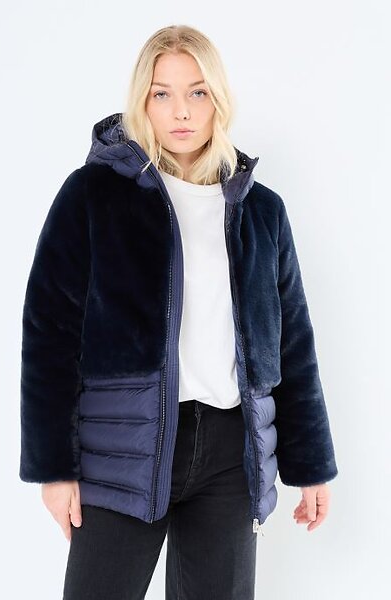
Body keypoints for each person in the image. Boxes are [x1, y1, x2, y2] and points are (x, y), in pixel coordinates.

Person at [19, 24, 338, 600]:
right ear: (141, 101)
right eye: (161, 93)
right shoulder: (93, 195)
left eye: (197, 92)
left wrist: (310, 465)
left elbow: (292, 343)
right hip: (123, 450)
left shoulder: (261, 211)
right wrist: (54, 467)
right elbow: (49, 334)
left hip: (231, 455)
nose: (181, 111)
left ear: (219, 98)